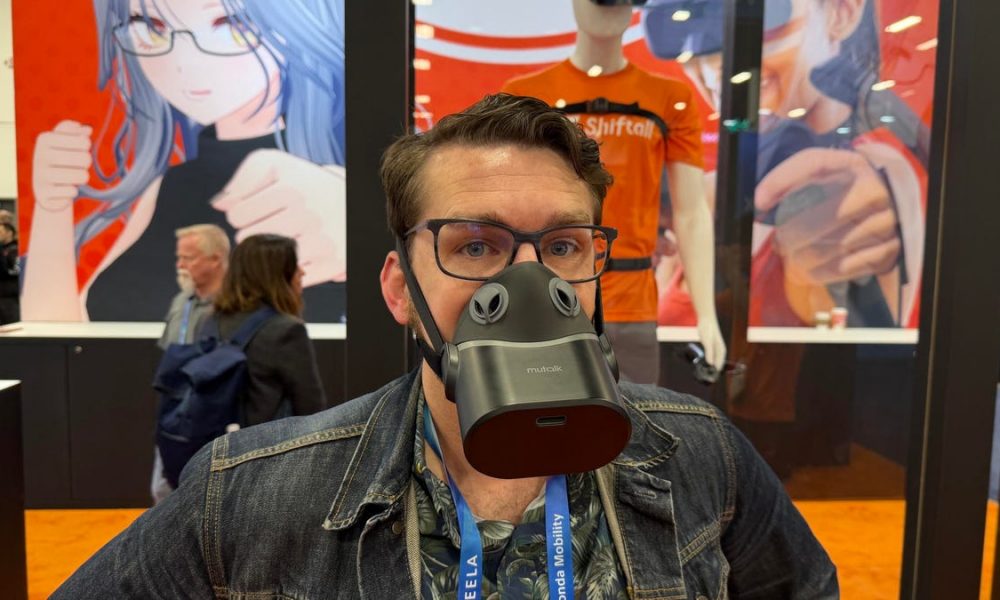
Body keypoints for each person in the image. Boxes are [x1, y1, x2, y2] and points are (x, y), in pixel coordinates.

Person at [53, 94, 836, 598]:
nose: (530, 285)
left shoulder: (703, 455)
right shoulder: (252, 493)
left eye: (564, 246)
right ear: (399, 289)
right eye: (476, 245)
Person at [22, 0, 347, 323]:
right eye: (151, 27)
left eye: (230, 25)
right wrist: (52, 209)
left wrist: (351, 227)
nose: (184, 62)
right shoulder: (172, 184)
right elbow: (64, 328)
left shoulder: (333, 180)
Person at [501, 0, 726, 384]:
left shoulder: (669, 99)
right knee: (544, 413)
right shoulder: (524, 96)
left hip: (633, 305)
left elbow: (691, 213)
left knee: (635, 417)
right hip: (545, 296)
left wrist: (707, 314)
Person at [210, 233, 327, 427]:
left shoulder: (211, 321)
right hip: (266, 443)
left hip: (214, 441)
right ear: (277, 276)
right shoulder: (287, 331)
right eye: (294, 265)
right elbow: (312, 412)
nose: (302, 273)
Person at [150, 223, 230, 503]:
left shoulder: (234, 307)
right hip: (175, 410)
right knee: (163, 490)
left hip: (212, 415)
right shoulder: (181, 301)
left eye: (189, 258)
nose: (180, 265)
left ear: (216, 259)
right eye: (179, 257)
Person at [0, 222, 19, 324]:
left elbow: (17, 271)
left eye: (0, 232)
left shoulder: (16, 250)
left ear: (9, 233)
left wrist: (5, 271)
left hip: (9, 296)